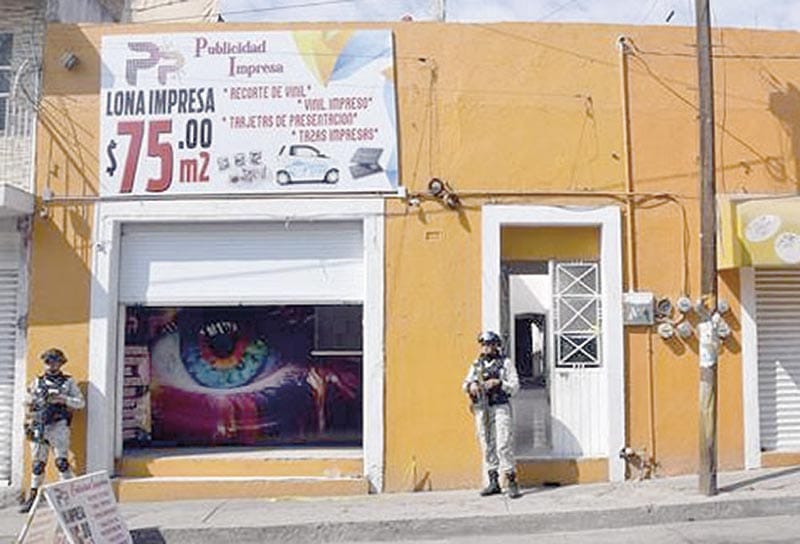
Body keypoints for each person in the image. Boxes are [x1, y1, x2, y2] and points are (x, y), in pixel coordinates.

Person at [19, 348, 85, 513]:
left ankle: (70, 499)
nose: (51, 365)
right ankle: (33, 497)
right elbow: (27, 403)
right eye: (48, 361)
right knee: (38, 464)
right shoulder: (37, 382)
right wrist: (28, 422)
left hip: (58, 426)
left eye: (55, 361)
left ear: (61, 363)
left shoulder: (68, 382)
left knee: (62, 463)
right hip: (40, 425)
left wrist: (63, 399)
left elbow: (80, 403)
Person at [463, 331, 521, 498]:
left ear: (496, 345)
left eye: (489, 344)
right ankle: (493, 481)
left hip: (500, 406)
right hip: (482, 408)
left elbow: (515, 386)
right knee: (486, 443)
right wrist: (472, 386)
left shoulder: (505, 363)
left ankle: (511, 480)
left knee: (503, 443)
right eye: (483, 344)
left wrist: (499, 383)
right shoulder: (477, 364)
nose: (486, 347)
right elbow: (465, 383)